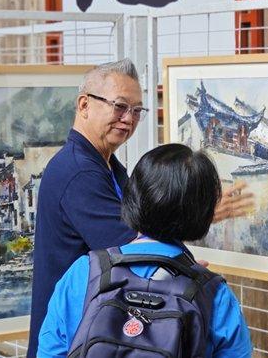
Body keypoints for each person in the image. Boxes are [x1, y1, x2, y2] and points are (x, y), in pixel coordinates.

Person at [28, 60, 254, 357]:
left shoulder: (106, 164)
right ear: (84, 105)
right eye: (120, 106)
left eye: (137, 111)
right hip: (84, 328)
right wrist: (189, 272)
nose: (128, 119)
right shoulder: (78, 171)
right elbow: (134, 251)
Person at [37, 143, 252, 357]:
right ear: (204, 211)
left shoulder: (84, 273)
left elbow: (50, 352)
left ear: (132, 196)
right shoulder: (213, 294)